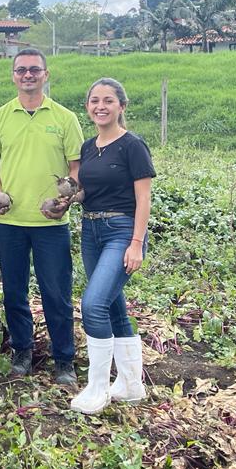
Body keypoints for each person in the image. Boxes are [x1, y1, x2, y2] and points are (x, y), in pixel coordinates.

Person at [0, 48, 84, 384]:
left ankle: (64, 359)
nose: (28, 75)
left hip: (51, 224)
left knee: (56, 292)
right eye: (22, 70)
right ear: (13, 75)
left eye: (35, 70)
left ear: (46, 74)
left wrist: (64, 199)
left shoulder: (64, 118)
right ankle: (22, 353)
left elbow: (76, 167)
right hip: (9, 222)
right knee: (14, 291)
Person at [70, 77, 155, 415]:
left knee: (92, 305)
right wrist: (68, 198)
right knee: (112, 305)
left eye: (107, 100)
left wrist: (136, 243)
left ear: (122, 105)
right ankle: (132, 384)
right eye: (94, 101)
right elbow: (87, 190)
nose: (100, 106)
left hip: (122, 230)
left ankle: (98, 387)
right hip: (91, 230)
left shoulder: (132, 145)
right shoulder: (89, 147)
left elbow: (144, 197)